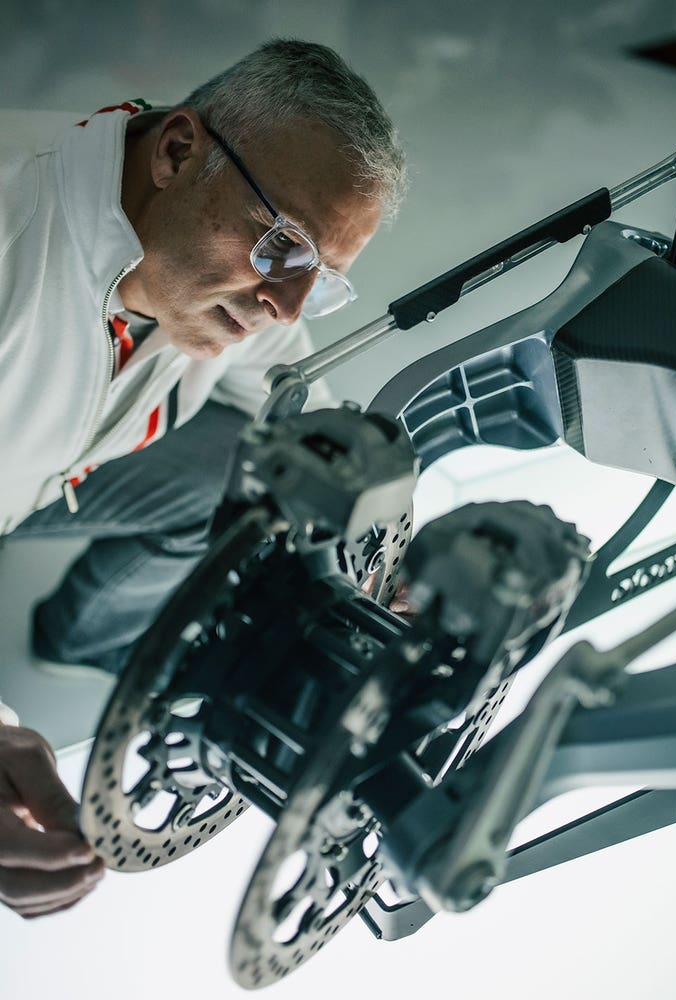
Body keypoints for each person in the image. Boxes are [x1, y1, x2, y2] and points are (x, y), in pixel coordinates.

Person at [0, 38, 407, 917]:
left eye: (320, 280)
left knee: (245, 469)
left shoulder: (200, 260)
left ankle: (82, 636)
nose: (285, 307)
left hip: (32, 472)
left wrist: (378, 544)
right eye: (284, 246)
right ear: (178, 151)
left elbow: (294, 402)